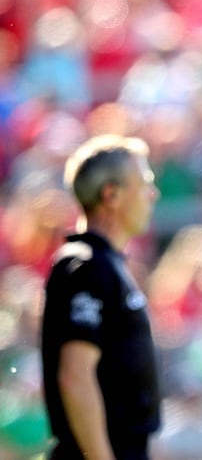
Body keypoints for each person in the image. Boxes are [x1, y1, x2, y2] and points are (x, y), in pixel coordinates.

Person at [40, 134, 162, 460]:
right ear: (111, 195)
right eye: (144, 183)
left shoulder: (108, 265)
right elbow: (75, 375)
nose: (153, 194)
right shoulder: (84, 265)